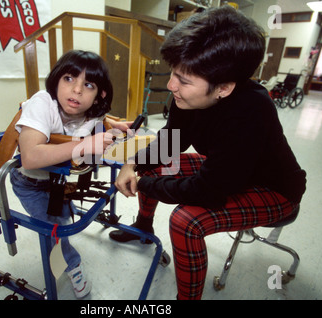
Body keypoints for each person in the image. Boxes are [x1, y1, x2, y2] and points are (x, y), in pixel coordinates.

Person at [110, 6, 307, 300]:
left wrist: (144, 183)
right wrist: (133, 164)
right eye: (174, 73)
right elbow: (170, 143)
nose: (171, 85)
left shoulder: (251, 111)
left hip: (275, 190)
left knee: (185, 222)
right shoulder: (187, 96)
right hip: (230, 170)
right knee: (154, 165)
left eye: (183, 80)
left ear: (224, 88)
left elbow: (208, 189)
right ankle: (143, 226)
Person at [10, 50, 127, 298]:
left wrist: (114, 125)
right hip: (29, 182)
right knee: (55, 232)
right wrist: (84, 145)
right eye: (69, 79)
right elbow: (30, 157)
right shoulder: (42, 103)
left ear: (100, 94)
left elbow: (100, 117)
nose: (76, 91)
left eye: (88, 85)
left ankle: (64, 228)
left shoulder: (93, 110)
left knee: (61, 218)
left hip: (58, 181)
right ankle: (72, 265)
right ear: (56, 80)